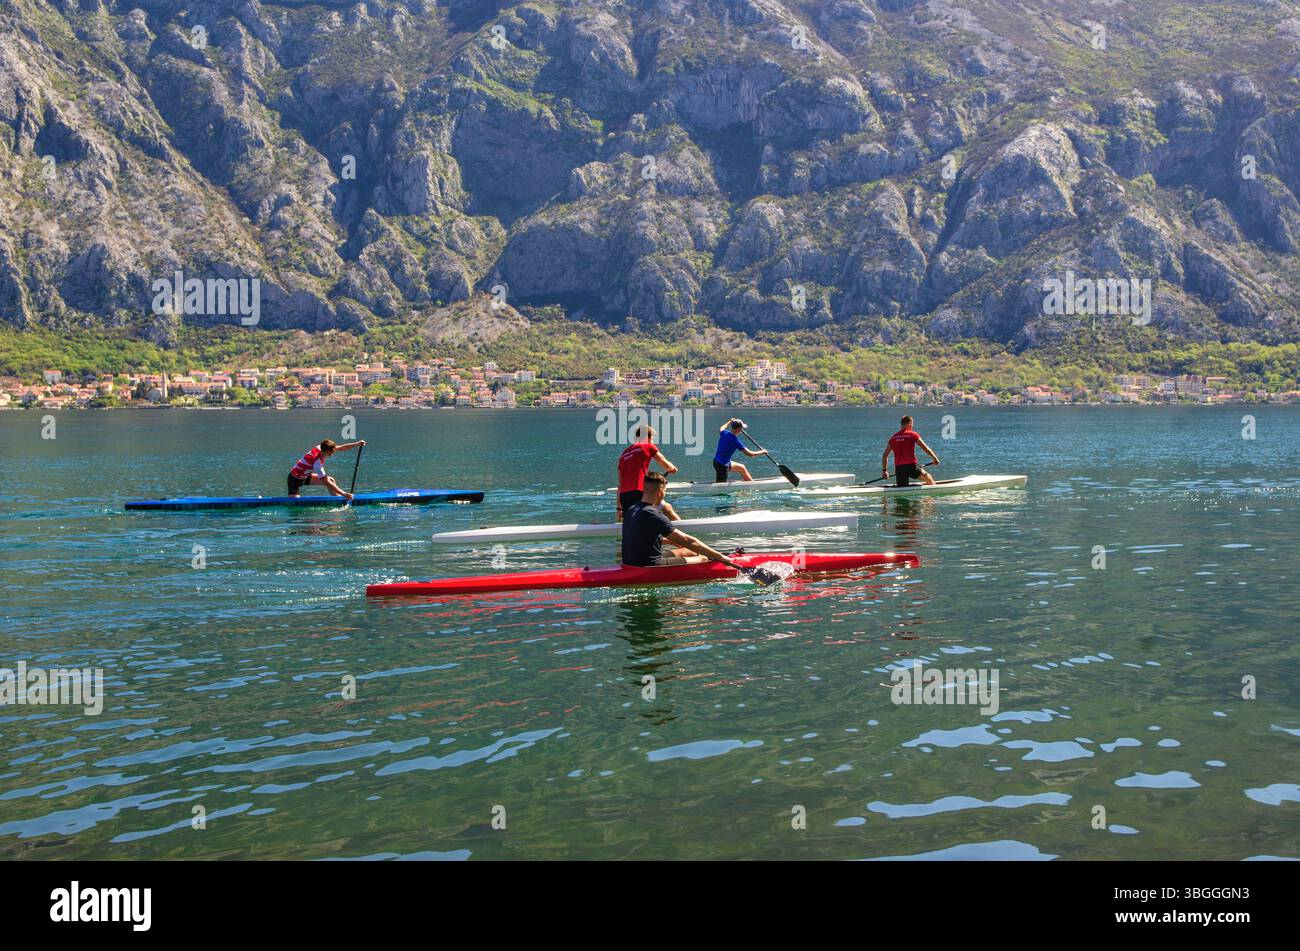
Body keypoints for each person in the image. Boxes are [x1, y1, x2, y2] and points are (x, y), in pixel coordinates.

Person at [622, 472, 736, 568]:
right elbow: (689, 541)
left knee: (688, 551)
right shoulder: (654, 514)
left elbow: (640, 536)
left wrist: (669, 541)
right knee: (703, 558)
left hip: (628, 562)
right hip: (649, 565)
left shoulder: (632, 509)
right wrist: (720, 557)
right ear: (660, 492)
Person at [616, 425, 679, 520]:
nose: (652, 441)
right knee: (666, 509)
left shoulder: (624, 454)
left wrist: (619, 508)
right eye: (652, 439)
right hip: (640, 492)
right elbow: (665, 464)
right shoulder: (648, 446)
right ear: (647, 437)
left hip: (624, 496)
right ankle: (685, 529)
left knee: (635, 522)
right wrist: (672, 468)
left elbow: (620, 484)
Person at [288, 438, 366, 498]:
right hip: (294, 479)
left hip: (305, 476)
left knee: (331, 480)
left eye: (333, 451)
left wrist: (357, 444)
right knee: (296, 501)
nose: (332, 454)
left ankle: (338, 500)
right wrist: (344, 493)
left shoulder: (320, 447)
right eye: (330, 453)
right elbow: (326, 482)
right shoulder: (317, 463)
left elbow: (341, 448)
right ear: (324, 451)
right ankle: (344, 496)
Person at [881, 416, 939, 486]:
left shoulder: (894, 437)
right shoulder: (913, 434)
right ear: (909, 424)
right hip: (911, 467)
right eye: (912, 424)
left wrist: (884, 471)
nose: (912, 426)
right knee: (928, 477)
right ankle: (931, 494)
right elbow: (926, 449)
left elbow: (885, 455)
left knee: (902, 489)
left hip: (899, 469)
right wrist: (935, 458)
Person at [713, 418, 767, 482]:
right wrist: (762, 452)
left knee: (742, 468)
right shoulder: (735, 441)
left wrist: (729, 421)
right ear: (739, 429)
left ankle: (751, 484)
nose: (742, 430)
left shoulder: (724, 433)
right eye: (742, 428)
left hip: (719, 461)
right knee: (720, 486)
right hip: (722, 465)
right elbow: (750, 454)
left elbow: (721, 428)